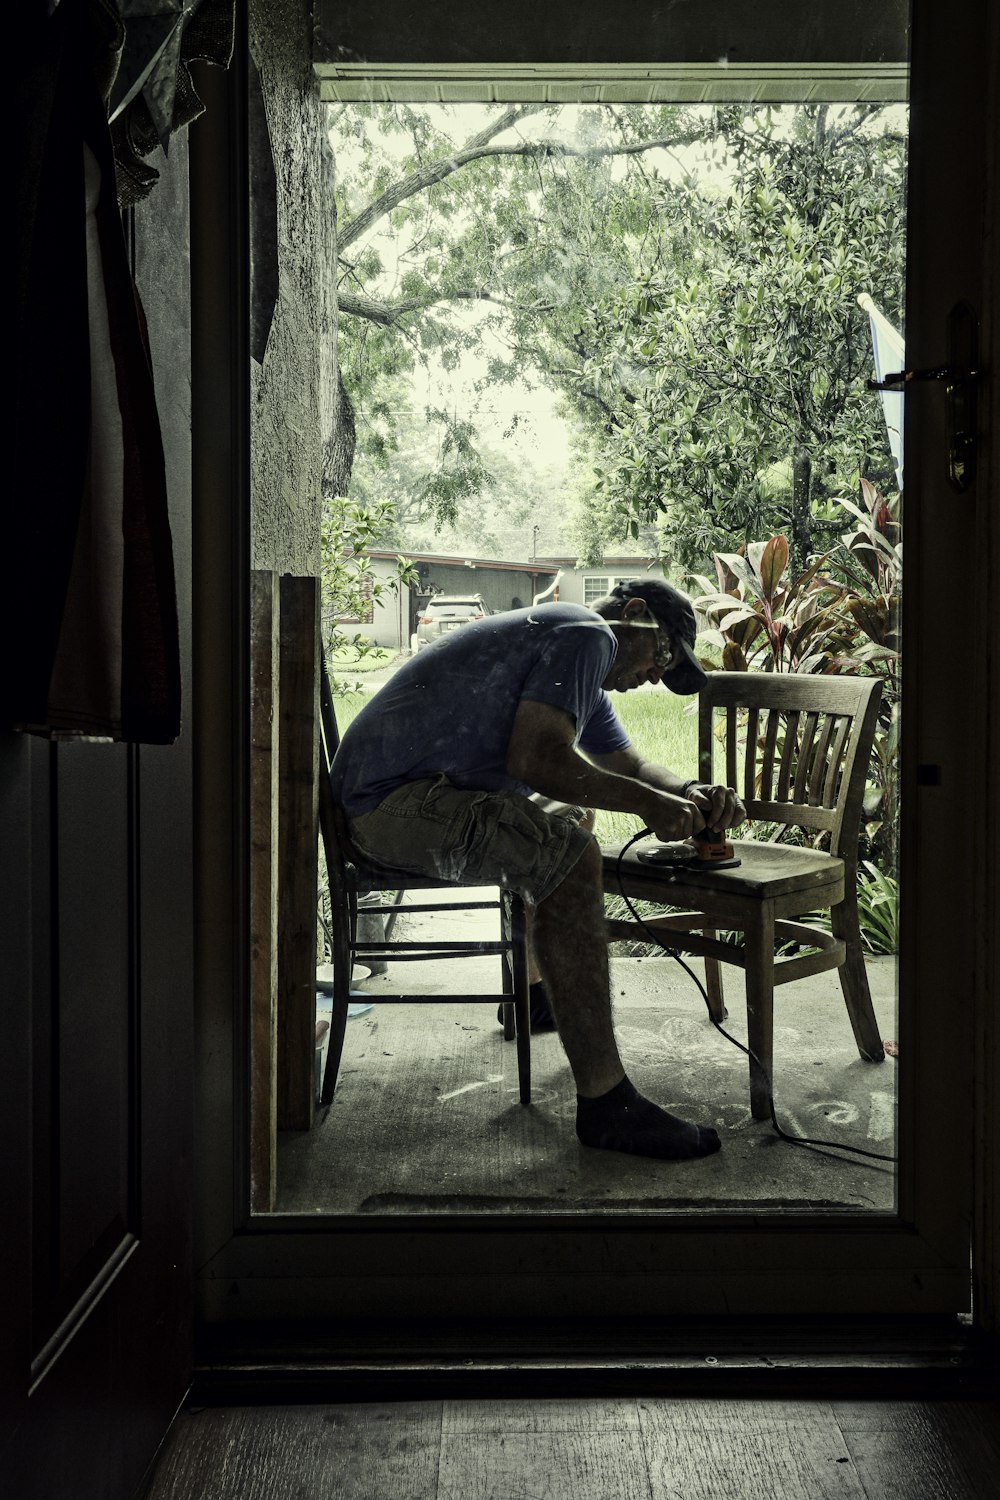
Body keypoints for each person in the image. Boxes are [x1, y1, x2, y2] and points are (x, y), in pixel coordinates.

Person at [331, 579, 745, 1162]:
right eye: (665, 656)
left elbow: (624, 760)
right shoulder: (586, 635)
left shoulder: (571, 653)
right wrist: (648, 806)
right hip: (389, 807)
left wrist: (687, 790)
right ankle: (607, 1103)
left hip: (396, 796)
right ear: (634, 614)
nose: (655, 676)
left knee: (572, 821)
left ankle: (534, 997)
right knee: (573, 861)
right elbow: (538, 760)